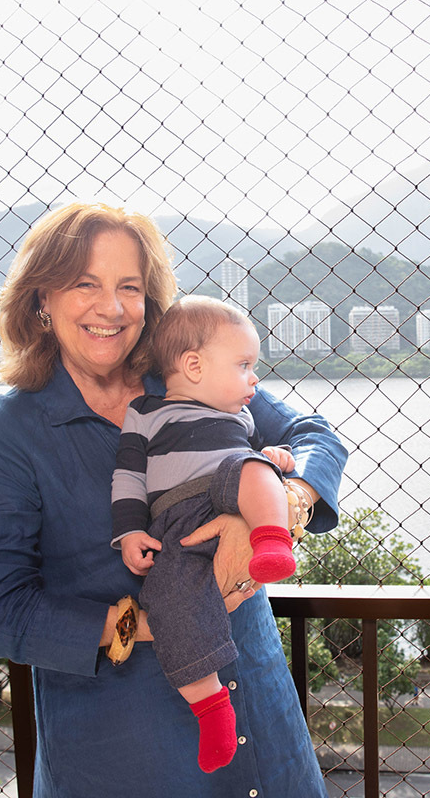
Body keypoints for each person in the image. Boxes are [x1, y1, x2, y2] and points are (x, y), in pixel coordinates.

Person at [0, 201, 347, 798]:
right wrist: (153, 623)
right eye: (84, 284)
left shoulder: (188, 376)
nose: (110, 307)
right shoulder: (8, 431)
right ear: (41, 299)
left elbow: (315, 437)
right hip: (123, 752)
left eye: (128, 287)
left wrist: (283, 504)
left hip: (265, 726)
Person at [111, 295, 302, 772]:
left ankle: (271, 543)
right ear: (194, 366)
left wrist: (274, 457)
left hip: (228, 492)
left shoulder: (241, 416)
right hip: (176, 523)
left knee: (254, 467)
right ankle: (212, 709)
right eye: (243, 365)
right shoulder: (145, 413)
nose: (254, 378)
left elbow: (270, 457)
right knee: (170, 601)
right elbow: (128, 476)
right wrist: (129, 530)